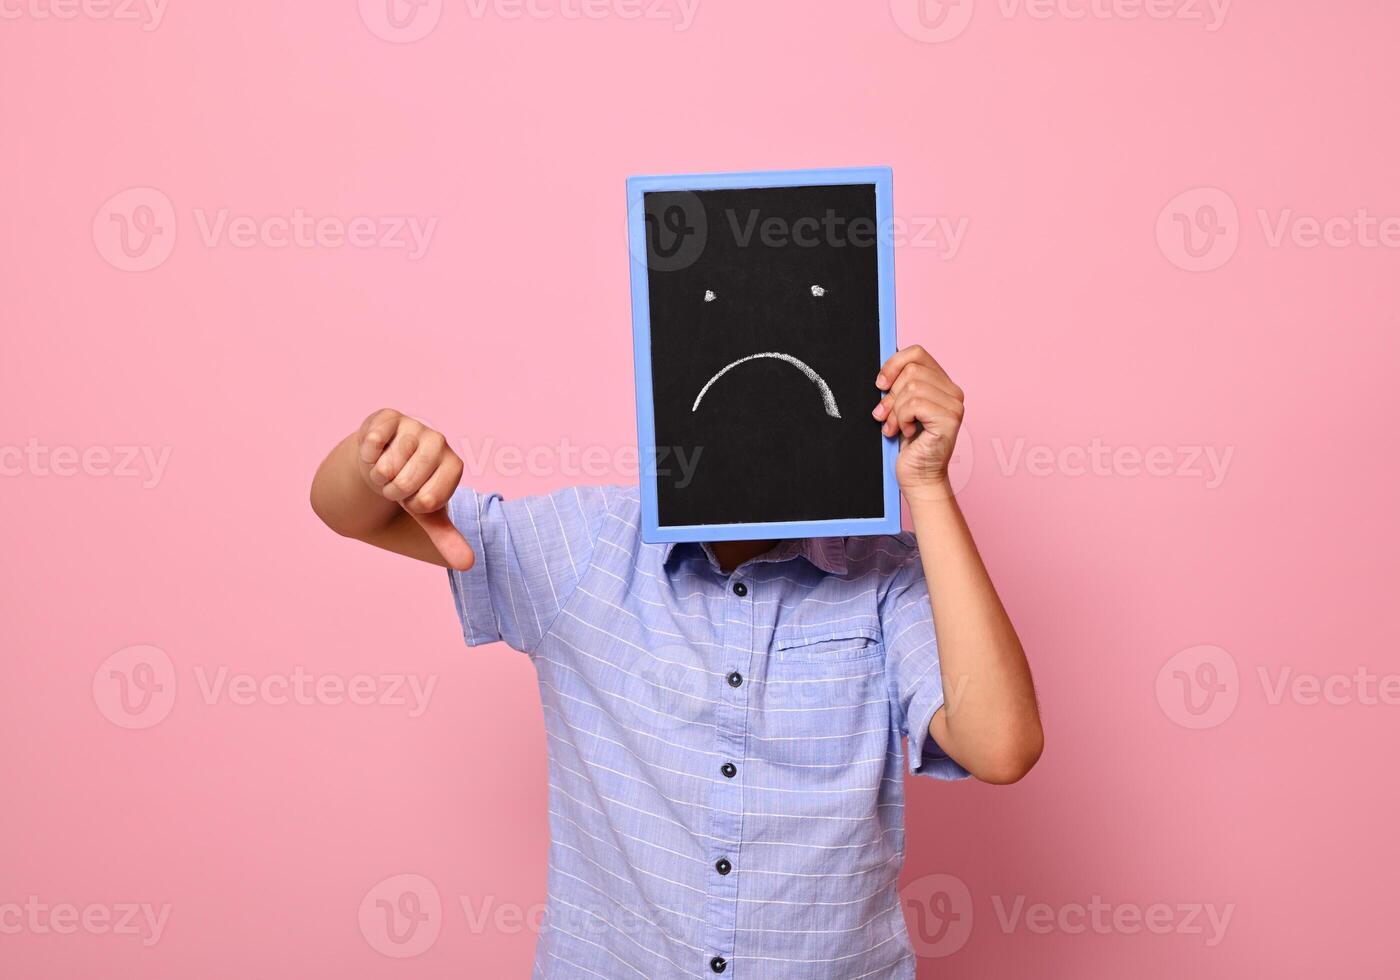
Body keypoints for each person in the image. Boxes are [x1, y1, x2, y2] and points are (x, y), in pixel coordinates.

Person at [310, 344, 1043, 978]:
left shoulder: (884, 577)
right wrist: (376, 459)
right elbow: (350, 512)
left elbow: (1000, 747)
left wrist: (927, 485)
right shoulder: (587, 546)